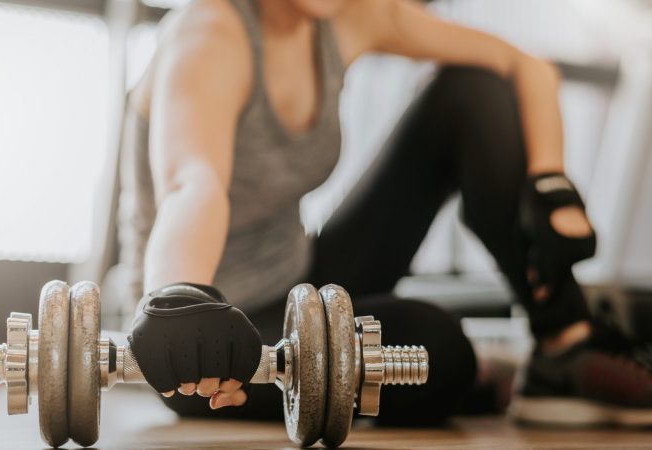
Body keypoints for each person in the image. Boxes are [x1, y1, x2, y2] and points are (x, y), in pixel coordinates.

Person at [113, 0, 652, 426]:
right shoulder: (211, 33)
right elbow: (192, 184)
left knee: (471, 92)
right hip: (210, 338)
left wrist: (550, 182)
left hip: (299, 277)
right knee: (437, 354)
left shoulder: (345, 15)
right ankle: (479, 376)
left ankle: (565, 342)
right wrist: (177, 299)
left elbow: (525, 66)